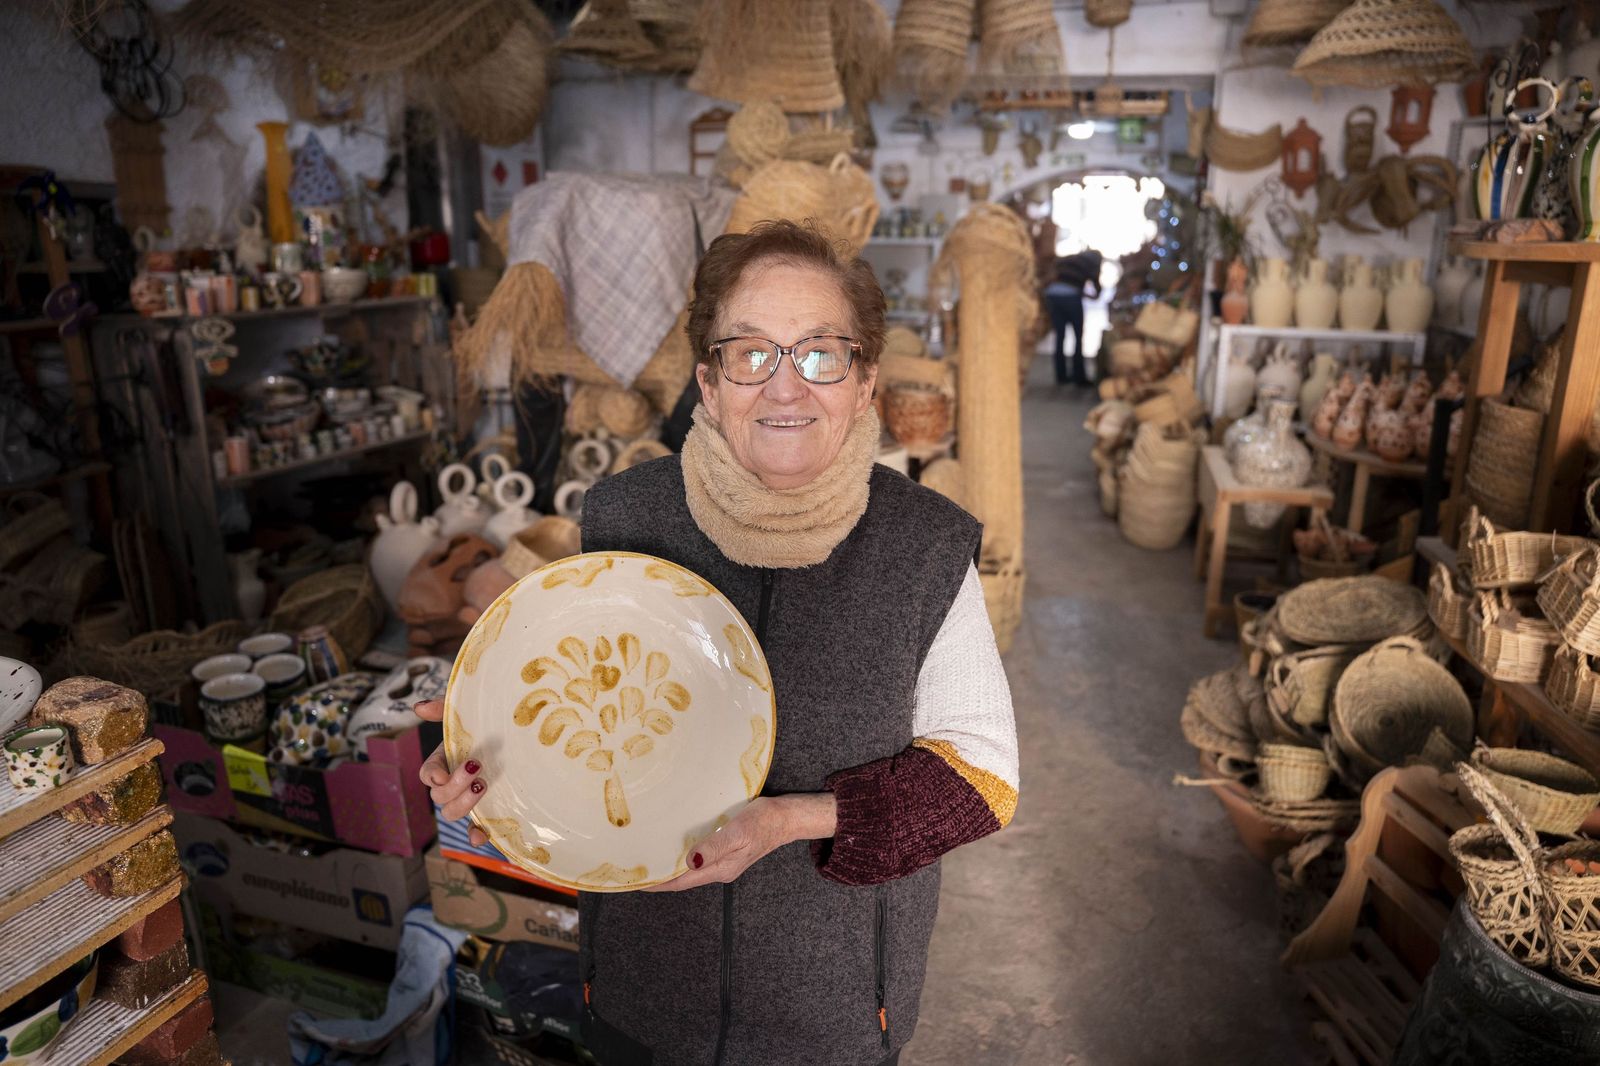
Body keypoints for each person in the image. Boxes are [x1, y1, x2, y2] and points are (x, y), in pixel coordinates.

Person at [416, 219, 1019, 1066]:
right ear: (707, 380)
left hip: (834, 1010)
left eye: (821, 353)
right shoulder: (627, 516)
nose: (785, 386)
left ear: (866, 381)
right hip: (645, 985)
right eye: (750, 353)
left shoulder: (923, 546)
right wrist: (484, 745)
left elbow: (981, 782)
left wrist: (790, 820)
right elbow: (588, 701)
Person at [1044, 249, 1103, 386]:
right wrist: (1093, 295)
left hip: (1053, 295)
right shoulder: (1091, 264)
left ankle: (1061, 376)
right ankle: (1079, 377)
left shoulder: (1068, 258)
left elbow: (1052, 273)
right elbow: (1096, 286)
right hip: (1071, 298)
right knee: (1078, 336)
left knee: (1060, 336)